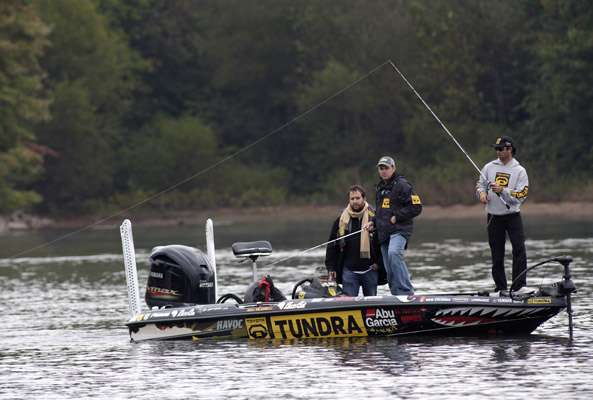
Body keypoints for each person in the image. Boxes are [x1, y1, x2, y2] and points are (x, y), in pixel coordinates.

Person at [476, 136, 529, 293]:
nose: (497, 152)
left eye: (500, 149)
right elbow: (481, 185)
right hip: (493, 216)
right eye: (496, 149)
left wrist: (503, 191)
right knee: (496, 253)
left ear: (509, 149)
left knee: (519, 250)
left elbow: (522, 194)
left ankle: (519, 286)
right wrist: (482, 194)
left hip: (512, 216)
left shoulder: (519, 171)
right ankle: (500, 287)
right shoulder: (489, 167)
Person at [373, 156, 422, 295]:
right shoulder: (379, 188)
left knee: (394, 254)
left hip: (399, 230)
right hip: (383, 233)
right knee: (389, 268)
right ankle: (396, 295)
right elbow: (380, 212)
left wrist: (397, 216)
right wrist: (372, 223)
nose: (383, 171)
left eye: (386, 168)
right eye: (381, 168)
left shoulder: (403, 185)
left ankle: (406, 291)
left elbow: (417, 207)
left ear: (393, 168)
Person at [325, 185, 381, 296]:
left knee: (371, 306)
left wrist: (379, 263)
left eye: (357, 198)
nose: (355, 201)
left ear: (364, 199)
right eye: (352, 199)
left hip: (370, 270)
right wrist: (331, 267)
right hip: (349, 271)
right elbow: (332, 245)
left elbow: (383, 243)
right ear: (349, 200)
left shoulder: (375, 218)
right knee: (348, 303)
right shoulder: (341, 219)